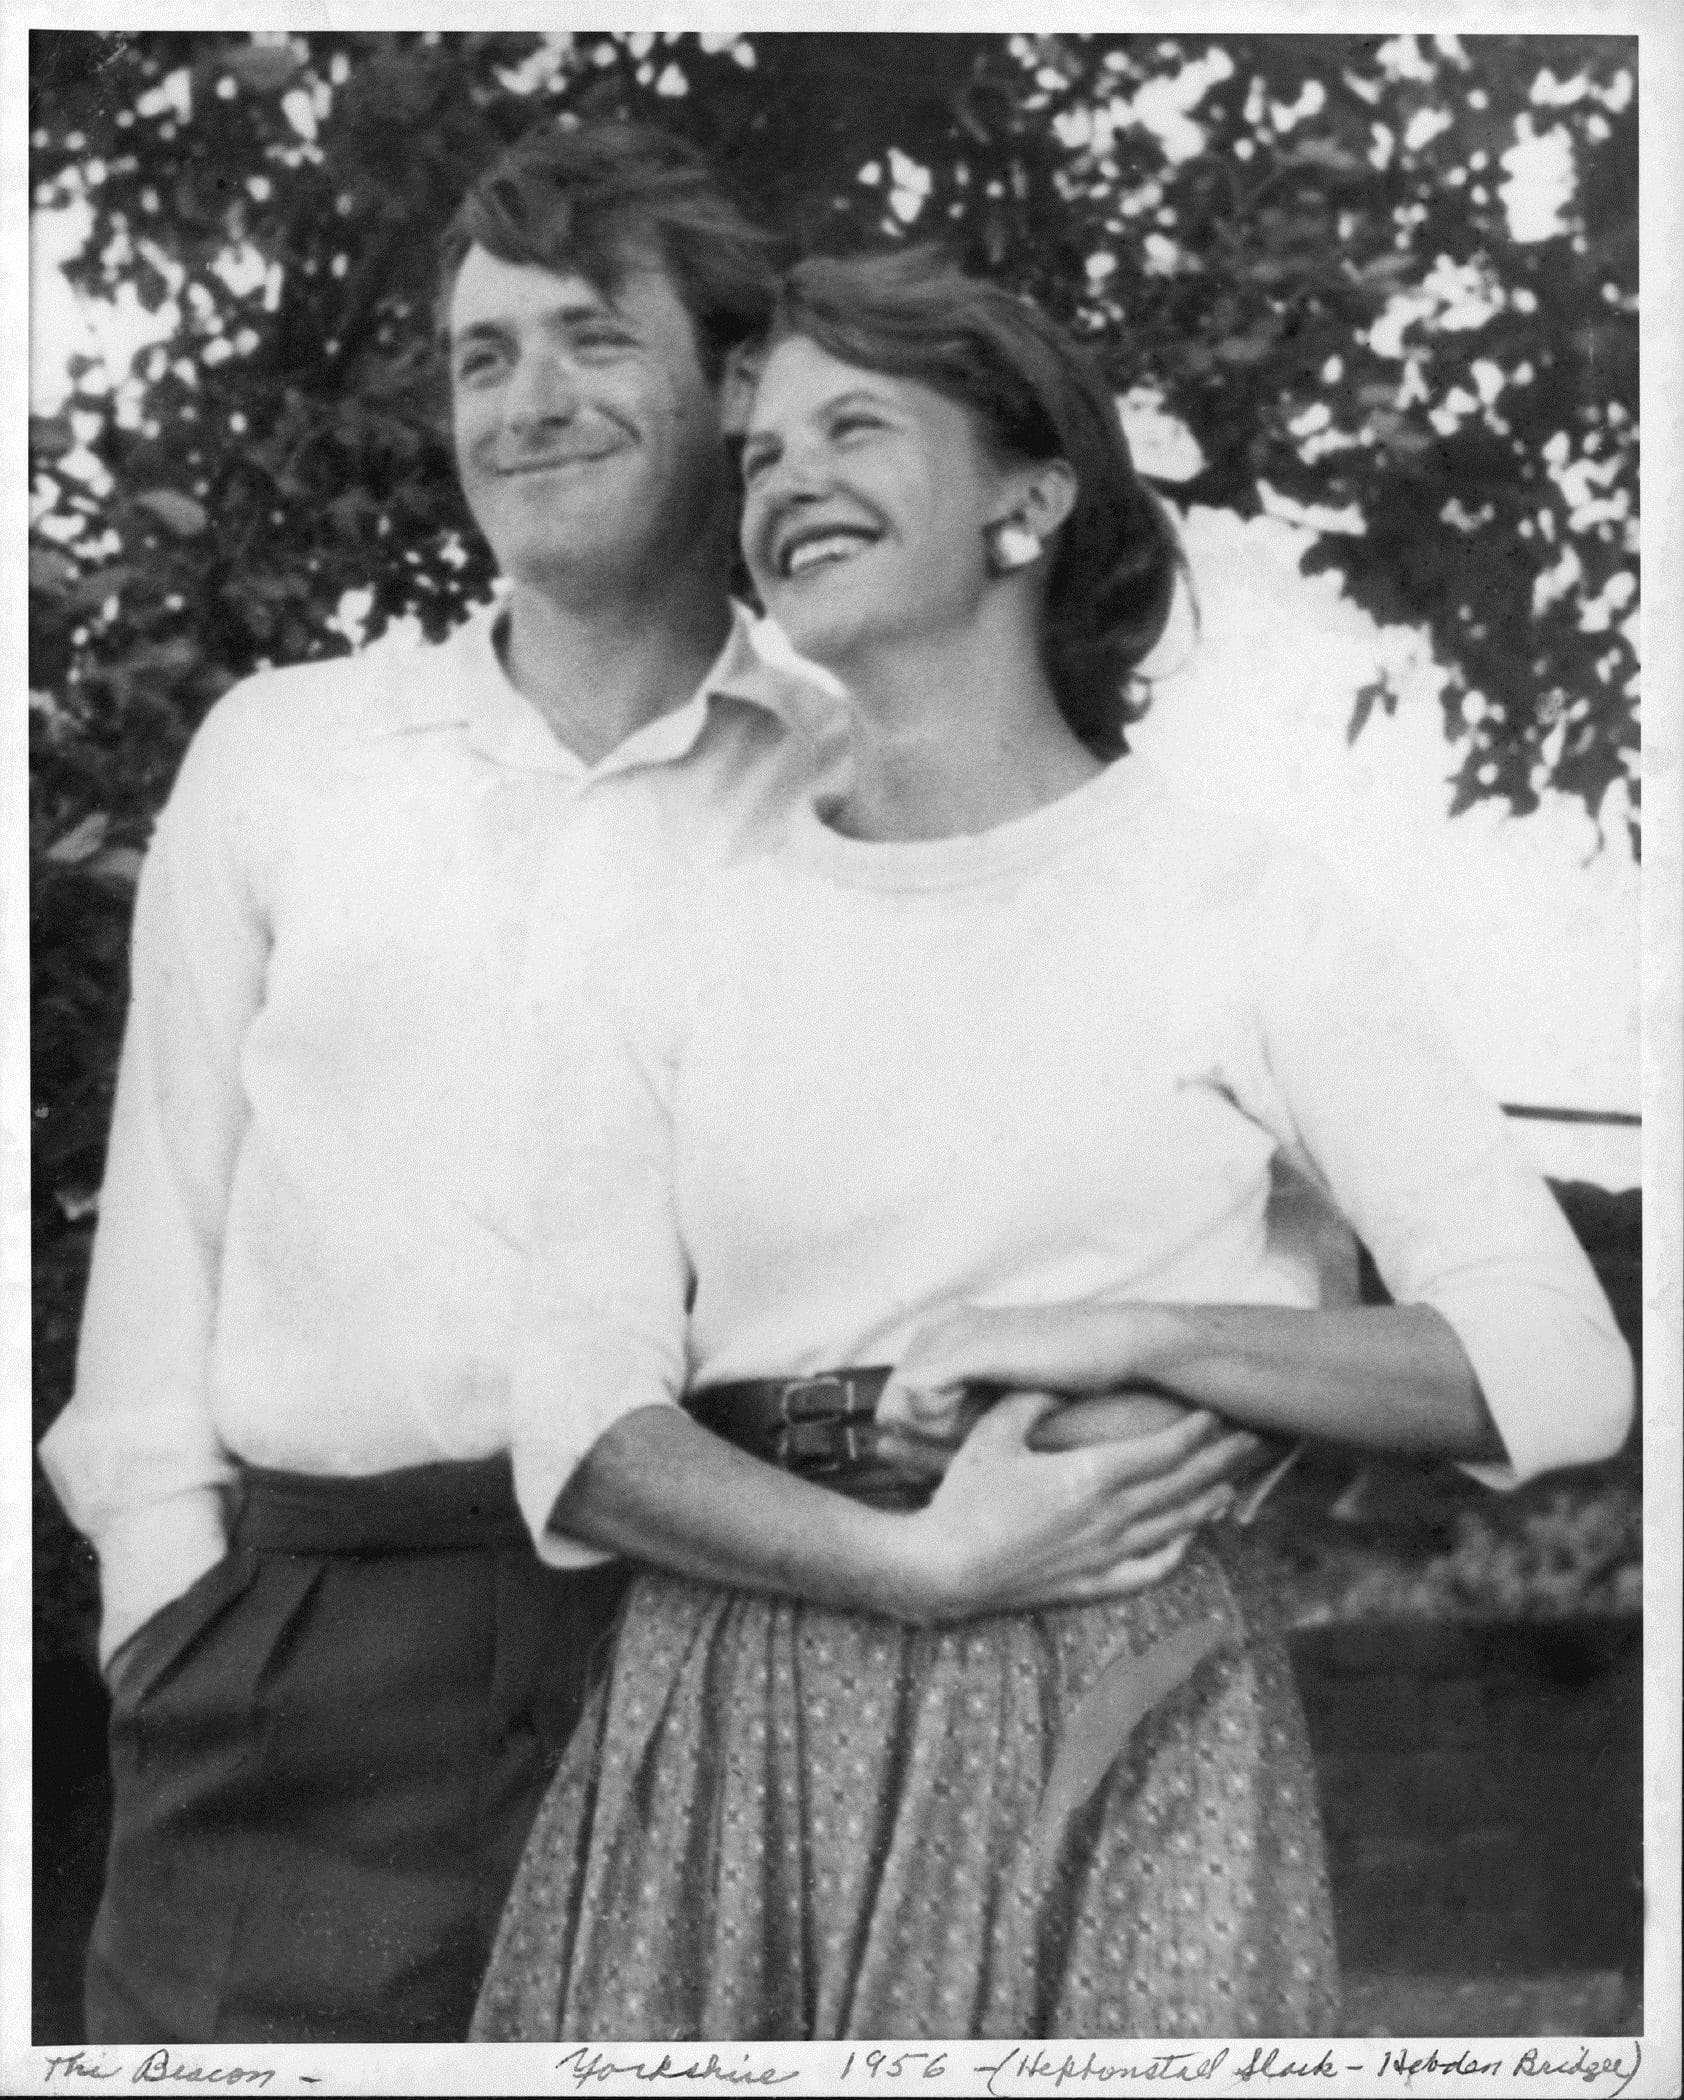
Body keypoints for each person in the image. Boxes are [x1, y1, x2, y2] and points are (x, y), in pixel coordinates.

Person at [37, 125, 1247, 2046]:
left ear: (735, 384)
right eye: (481, 356)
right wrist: (175, 1627)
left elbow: (1132, 1153)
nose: (525, 404)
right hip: (301, 1653)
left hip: (731, 1627)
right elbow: (160, 1253)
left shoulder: (876, 771)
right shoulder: (289, 758)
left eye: (593, 340)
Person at [469, 249, 1634, 2042]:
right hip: (747, 1695)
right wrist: (914, 1565)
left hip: (1129, 1678)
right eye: (764, 454)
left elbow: (1555, 1363)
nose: (787, 482)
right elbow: (580, 1423)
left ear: (1029, 499)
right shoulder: (672, 919)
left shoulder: (1245, 907)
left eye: (856, 426)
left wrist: (1144, 1339)